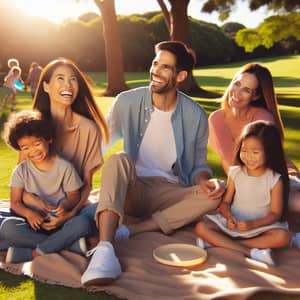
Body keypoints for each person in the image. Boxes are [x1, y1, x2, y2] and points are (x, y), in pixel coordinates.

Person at [80, 41, 225, 286]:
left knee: (218, 193)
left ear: (180, 76)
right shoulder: (127, 101)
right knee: (118, 159)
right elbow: (100, 145)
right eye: (155, 63)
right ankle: (105, 250)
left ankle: (132, 230)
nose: (156, 70)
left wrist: (206, 181)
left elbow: (198, 165)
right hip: (132, 188)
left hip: (168, 192)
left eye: (165, 67)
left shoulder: (195, 115)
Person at [0, 110, 92, 263]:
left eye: (37, 144)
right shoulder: (20, 171)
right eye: (26, 148)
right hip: (34, 225)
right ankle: (68, 245)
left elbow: (74, 195)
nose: (33, 151)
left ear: (48, 139)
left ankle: (33, 253)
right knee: (8, 227)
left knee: (83, 223)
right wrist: (29, 214)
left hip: (61, 222)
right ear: (19, 149)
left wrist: (64, 206)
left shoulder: (64, 167)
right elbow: (15, 203)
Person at [195, 120, 291, 266]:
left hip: (259, 227)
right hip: (233, 224)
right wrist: (228, 217)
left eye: (255, 152)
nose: (248, 156)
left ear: (270, 152)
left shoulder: (274, 179)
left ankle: (218, 243)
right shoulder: (236, 173)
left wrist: (253, 224)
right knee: (201, 227)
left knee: (283, 237)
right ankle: (251, 251)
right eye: (244, 151)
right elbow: (225, 203)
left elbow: (275, 214)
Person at [208, 63, 300, 213]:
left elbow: (266, 166)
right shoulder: (217, 119)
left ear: (256, 96)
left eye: (246, 90)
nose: (237, 93)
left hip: (277, 175)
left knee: (293, 203)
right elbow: (230, 162)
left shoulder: (262, 118)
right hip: (249, 181)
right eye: (236, 84)